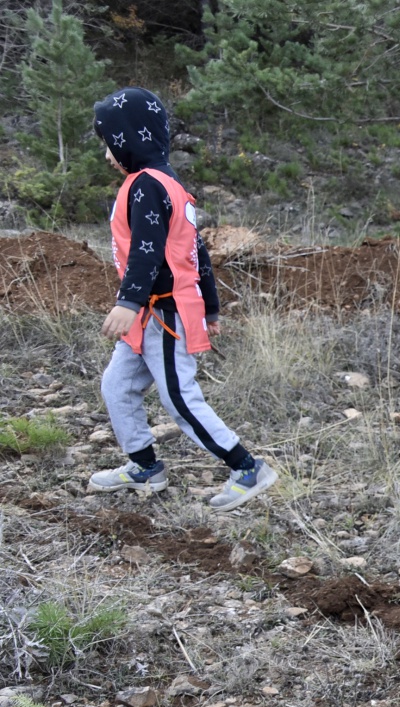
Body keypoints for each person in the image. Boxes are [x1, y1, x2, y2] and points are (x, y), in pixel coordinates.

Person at [87, 88, 277, 512]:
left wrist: (129, 302)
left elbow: (147, 252)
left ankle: (247, 468)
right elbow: (198, 253)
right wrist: (210, 307)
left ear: (129, 139)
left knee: (177, 395)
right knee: (116, 386)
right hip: (149, 313)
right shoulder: (168, 185)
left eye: (108, 143)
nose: (106, 156)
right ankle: (145, 467)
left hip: (163, 311)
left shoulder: (146, 186)